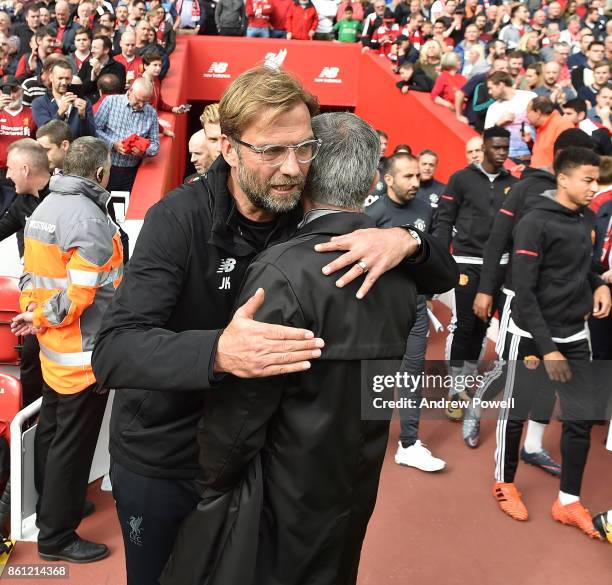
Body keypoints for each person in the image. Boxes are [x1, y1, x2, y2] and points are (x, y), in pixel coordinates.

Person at [91, 66, 447, 585]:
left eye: (303, 149)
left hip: (249, 463)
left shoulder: (297, 214)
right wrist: (218, 352)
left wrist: (409, 242)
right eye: (271, 151)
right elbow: (114, 351)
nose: (291, 168)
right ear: (230, 148)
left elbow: (442, 273)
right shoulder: (178, 219)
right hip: (164, 459)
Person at [10, 136, 124, 563]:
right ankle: (57, 536)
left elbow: (29, 276)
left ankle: (55, 507)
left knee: (53, 433)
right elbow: (81, 295)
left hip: (54, 350)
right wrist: (39, 318)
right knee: (71, 449)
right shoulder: (89, 218)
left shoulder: (44, 209)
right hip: (82, 356)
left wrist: (33, 314)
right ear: (100, 173)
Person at [492, 147, 610, 538]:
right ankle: (505, 483)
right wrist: (549, 349)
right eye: (587, 180)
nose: (594, 187)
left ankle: (568, 501)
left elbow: (585, 268)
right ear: (563, 179)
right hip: (530, 335)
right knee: (517, 410)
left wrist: (599, 286)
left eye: (597, 180)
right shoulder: (534, 222)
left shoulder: (588, 219)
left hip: (575, 333)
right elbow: (523, 292)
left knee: (579, 419)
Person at [367, 151, 448, 472]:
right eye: (408, 177)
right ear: (388, 180)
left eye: (418, 176)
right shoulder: (372, 213)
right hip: (378, 310)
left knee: (413, 374)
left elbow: (432, 255)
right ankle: (363, 438)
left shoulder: (426, 209)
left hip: (414, 306)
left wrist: (427, 292)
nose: (417, 182)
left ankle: (409, 443)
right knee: (375, 375)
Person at [434, 126, 517, 419]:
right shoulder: (460, 179)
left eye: (506, 148)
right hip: (466, 262)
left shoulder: (514, 184)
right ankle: (455, 388)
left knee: (482, 327)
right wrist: (441, 259)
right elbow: (444, 221)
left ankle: (466, 380)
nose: (502, 153)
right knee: (465, 324)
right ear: (484, 147)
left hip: (499, 266)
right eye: (497, 148)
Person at [0, 139, 50, 409]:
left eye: (10, 168)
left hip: (73, 308)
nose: (7, 175)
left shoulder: (68, 196)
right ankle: (30, 423)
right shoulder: (22, 204)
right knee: (31, 361)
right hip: (37, 305)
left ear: (26, 169)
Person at [94, 77, 159, 191]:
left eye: (145, 101)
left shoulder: (151, 113)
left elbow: (155, 144)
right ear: (130, 90)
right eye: (138, 100)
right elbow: (95, 130)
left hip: (132, 171)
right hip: (107, 168)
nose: (141, 105)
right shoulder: (111, 102)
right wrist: (113, 144)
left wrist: (143, 151)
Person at [31, 60, 96, 139]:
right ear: (51, 78)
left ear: (72, 78)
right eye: (60, 78)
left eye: (67, 78)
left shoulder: (84, 102)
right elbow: (45, 133)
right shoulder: (39, 103)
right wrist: (60, 113)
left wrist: (83, 117)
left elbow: (91, 136)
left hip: (78, 150)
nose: (64, 82)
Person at [485, 71, 536, 164]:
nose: (489, 92)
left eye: (491, 88)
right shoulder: (493, 108)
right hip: (508, 159)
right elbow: (487, 136)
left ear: (500, 85)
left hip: (533, 155)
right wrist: (499, 123)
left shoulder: (529, 97)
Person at [0, 74, 36, 188]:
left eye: (14, 90)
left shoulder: (32, 113)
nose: (10, 95)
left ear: (21, 91)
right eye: (5, 91)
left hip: (25, 173)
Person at [524, 96, 574, 168]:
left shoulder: (563, 125)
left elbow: (565, 160)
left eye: (528, 112)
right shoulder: (541, 126)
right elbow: (542, 154)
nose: (526, 115)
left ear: (538, 113)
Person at [78, 34, 127, 103]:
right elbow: (80, 89)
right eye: (92, 47)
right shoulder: (86, 65)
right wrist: (92, 78)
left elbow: (118, 90)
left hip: (109, 105)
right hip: (88, 105)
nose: (92, 51)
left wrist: (99, 73)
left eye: (96, 48)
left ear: (106, 50)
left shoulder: (118, 67)